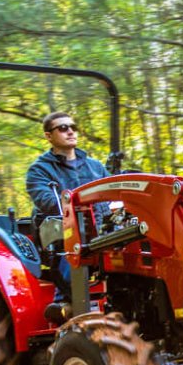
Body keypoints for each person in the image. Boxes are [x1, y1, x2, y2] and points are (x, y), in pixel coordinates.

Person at [25, 111, 107, 321]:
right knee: (74, 240)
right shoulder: (39, 170)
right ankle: (67, 304)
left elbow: (113, 195)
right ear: (48, 136)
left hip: (104, 231)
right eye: (62, 128)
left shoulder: (95, 166)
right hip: (63, 234)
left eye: (72, 127)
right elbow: (47, 201)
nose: (70, 131)